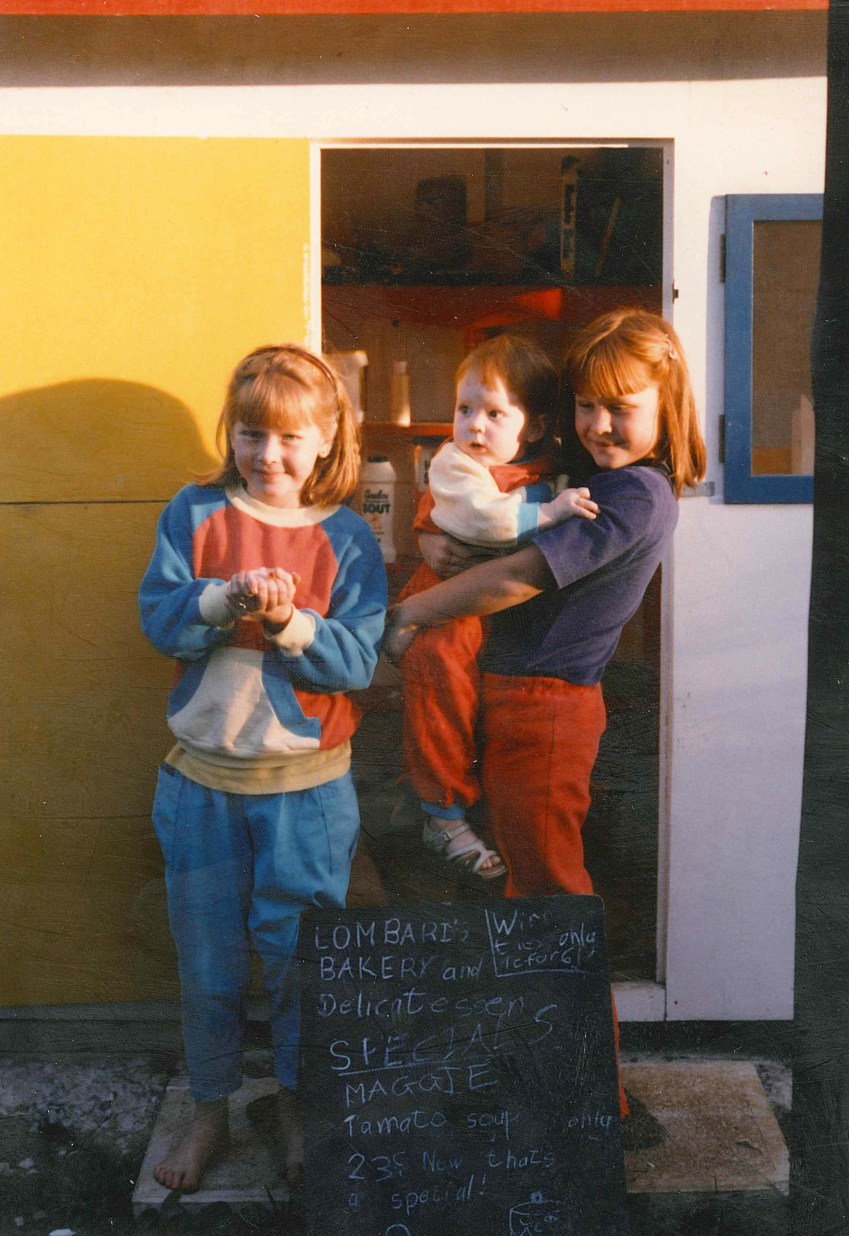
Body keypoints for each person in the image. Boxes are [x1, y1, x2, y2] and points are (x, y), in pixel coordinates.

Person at [385, 311, 706, 1117]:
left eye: (620, 407)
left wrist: (412, 617)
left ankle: (592, 1099)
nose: (598, 425)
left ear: (667, 408)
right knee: (518, 892)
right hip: (504, 695)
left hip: (546, 708)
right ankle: (528, 1067)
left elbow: (512, 580)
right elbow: (467, 531)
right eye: (585, 406)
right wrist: (436, 547)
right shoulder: (580, 477)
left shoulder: (634, 491)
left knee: (548, 894)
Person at [139, 344, 387, 1192]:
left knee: (297, 964)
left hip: (307, 796)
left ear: (326, 440)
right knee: (207, 962)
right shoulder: (196, 510)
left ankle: (294, 1102)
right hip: (201, 785)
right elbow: (160, 618)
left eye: (289, 437)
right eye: (251, 433)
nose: (268, 454)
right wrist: (222, 600)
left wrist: (289, 624)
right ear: (231, 435)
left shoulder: (348, 537)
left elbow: (356, 662)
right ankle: (209, 1106)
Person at [397, 334, 599, 879]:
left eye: (493, 413)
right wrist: (551, 515)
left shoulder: (553, 465)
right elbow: (482, 519)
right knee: (439, 687)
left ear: (532, 427)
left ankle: (476, 807)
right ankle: (441, 812)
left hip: (506, 614)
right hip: (448, 603)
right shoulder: (454, 463)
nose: (474, 426)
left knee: (490, 717)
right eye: (464, 410)